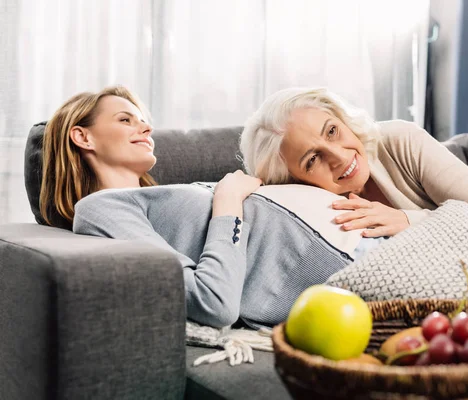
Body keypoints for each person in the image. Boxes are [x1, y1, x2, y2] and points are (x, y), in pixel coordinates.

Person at [40, 86, 367, 329]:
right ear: (83, 137)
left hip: (363, 238)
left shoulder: (167, 197)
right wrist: (228, 204)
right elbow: (214, 303)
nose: (146, 127)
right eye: (126, 119)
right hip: (350, 265)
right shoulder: (100, 209)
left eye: (143, 119)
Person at [239, 87, 468, 250]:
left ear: (342, 119)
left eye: (332, 130)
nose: (338, 155)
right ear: (294, 180)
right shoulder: (310, 208)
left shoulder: (398, 140)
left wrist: (411, 222)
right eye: (313, 159)